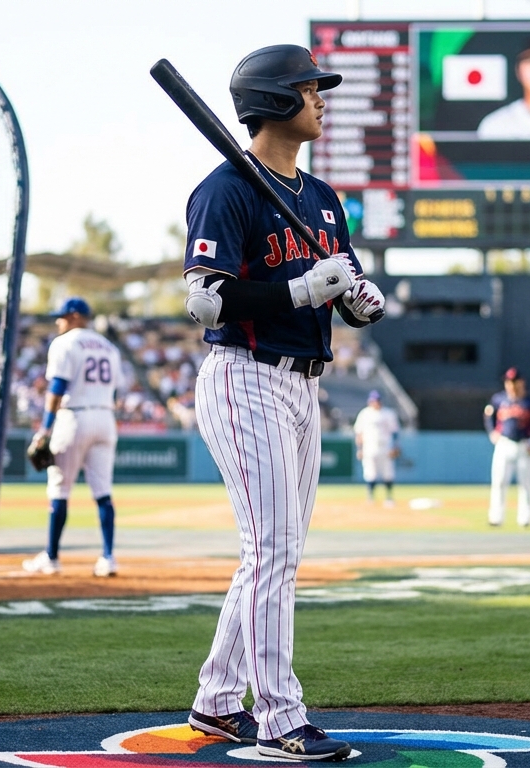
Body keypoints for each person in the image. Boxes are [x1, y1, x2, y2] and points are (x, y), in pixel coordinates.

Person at [180, 44, 384, 762]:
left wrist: (360, 300)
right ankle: (279, 718)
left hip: (304, 382)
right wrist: (301, 290)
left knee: (275, 554)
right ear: (272, 101)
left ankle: (214, 702)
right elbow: (203, 300)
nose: (320, 97)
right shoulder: (225, 188)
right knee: (272, 551)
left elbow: (346, 289)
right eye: (308, 87)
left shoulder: (324, 198)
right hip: (245, 375)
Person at [22, 297, 123, 579]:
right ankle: (108, 558)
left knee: (59, 489)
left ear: (77, 316)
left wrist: (45, 428)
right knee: (103, 492)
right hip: (105, 417)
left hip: (74, 417)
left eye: (63, 316)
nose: (59, 321)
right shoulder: (110, 347)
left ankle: (52, 557)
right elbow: (116, 391)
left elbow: (57, 387)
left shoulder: (65, 343)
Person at [483, 367, 530, 527]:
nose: (511, 384)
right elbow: (488, 415)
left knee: (525, 483)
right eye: (508, 381)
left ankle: (525, 518)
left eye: (514, 381)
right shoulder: (498, 399)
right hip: (504, 443)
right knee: (499, 481)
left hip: (525, 444)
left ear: (522, 382)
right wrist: (492, 432)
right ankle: (496, 517)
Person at [353, 390, 400, 506]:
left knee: (388, 473)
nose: (375, 402)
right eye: (373, 400)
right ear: (370, 401)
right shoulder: (364, 414)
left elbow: (395, 432)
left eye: (377, 400)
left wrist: (395, 447)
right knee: (370, 472)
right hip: (369, 447)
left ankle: (389, 498)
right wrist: (359, 448)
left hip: (386, 447)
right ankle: (370, 497)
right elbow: (359, 433)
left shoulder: (388, 413)